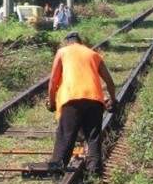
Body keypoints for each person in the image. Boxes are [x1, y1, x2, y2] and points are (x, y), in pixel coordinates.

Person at [47, 31, 116, 174]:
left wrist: (52, 102)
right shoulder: (93, 54)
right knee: (93, 136)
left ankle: (57, 168)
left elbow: (53, 81)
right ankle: (94, 170)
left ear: (67, 42)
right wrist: (113, 99)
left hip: (71, 98)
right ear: (81, 42)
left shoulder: (62, 52)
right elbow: (109, 81)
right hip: (95, 100)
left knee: (66, 134)